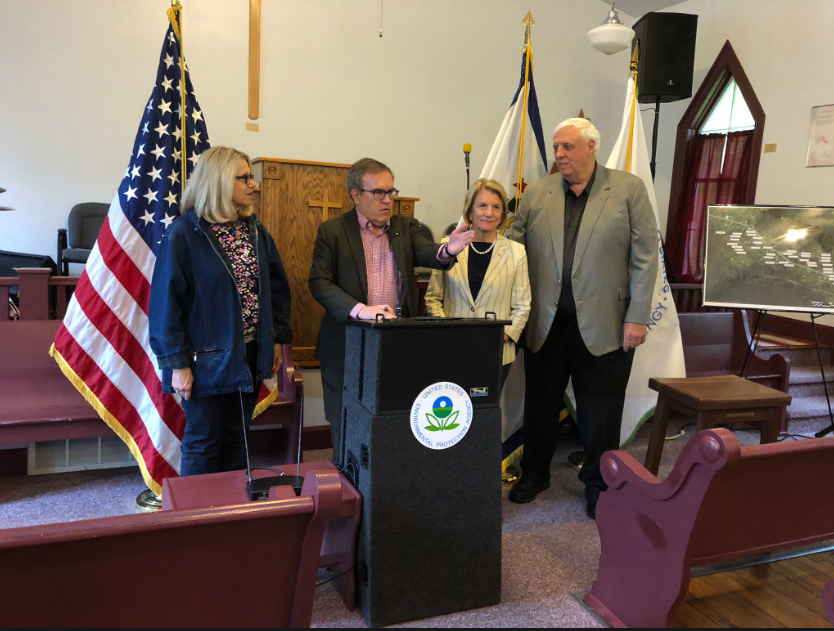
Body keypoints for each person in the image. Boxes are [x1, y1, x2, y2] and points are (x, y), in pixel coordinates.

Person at [508, 118, 658, 519]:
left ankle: (597, 483)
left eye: (567, 147)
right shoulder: (537, 193)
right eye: (557, 147)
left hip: (608, 324)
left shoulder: (628, 190)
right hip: (545, 323)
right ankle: (535, 474)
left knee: (600, 412)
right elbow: (514, 250)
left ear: (591, 147)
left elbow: (645, 257)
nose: (559, 155)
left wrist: (638, 317)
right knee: (540, 405)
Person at [309, 157, 474, 461]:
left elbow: (426, 252)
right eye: (378, 193)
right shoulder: (332, 231)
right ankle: (347, 485)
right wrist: (360, 310)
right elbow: (320, 282)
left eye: (391, 192)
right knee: (345, 420)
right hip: (346, 343)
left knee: (394, 419)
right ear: (356, 195)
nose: (387, 200)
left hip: (395, 344)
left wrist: (447, 249)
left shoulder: (404, 227)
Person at [149, 146, 292, 476]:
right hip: (205, 359)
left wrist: (276, 341)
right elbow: (165, 305)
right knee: (203, 441)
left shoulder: (255, 232)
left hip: (250, 354)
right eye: (244, 178)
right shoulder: (185, 234)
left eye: (251, 177)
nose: (252, 184)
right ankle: (198, 520)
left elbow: (278, 291)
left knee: (237, 439)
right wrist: (177, 364)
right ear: (217, 182)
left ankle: (231, 515)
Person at [424, 178, 531, 389]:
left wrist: (504, 337)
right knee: (452, 413)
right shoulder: (449, 246)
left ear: (502, 214)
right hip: (451, 350)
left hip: (497, 352)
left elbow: (522, 305)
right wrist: (447, 334)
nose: (488, 212)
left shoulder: (516, 252)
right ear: (470, 210)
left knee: (486, 415)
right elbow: (433, 298)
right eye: (482, 205)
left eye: (496, 207)